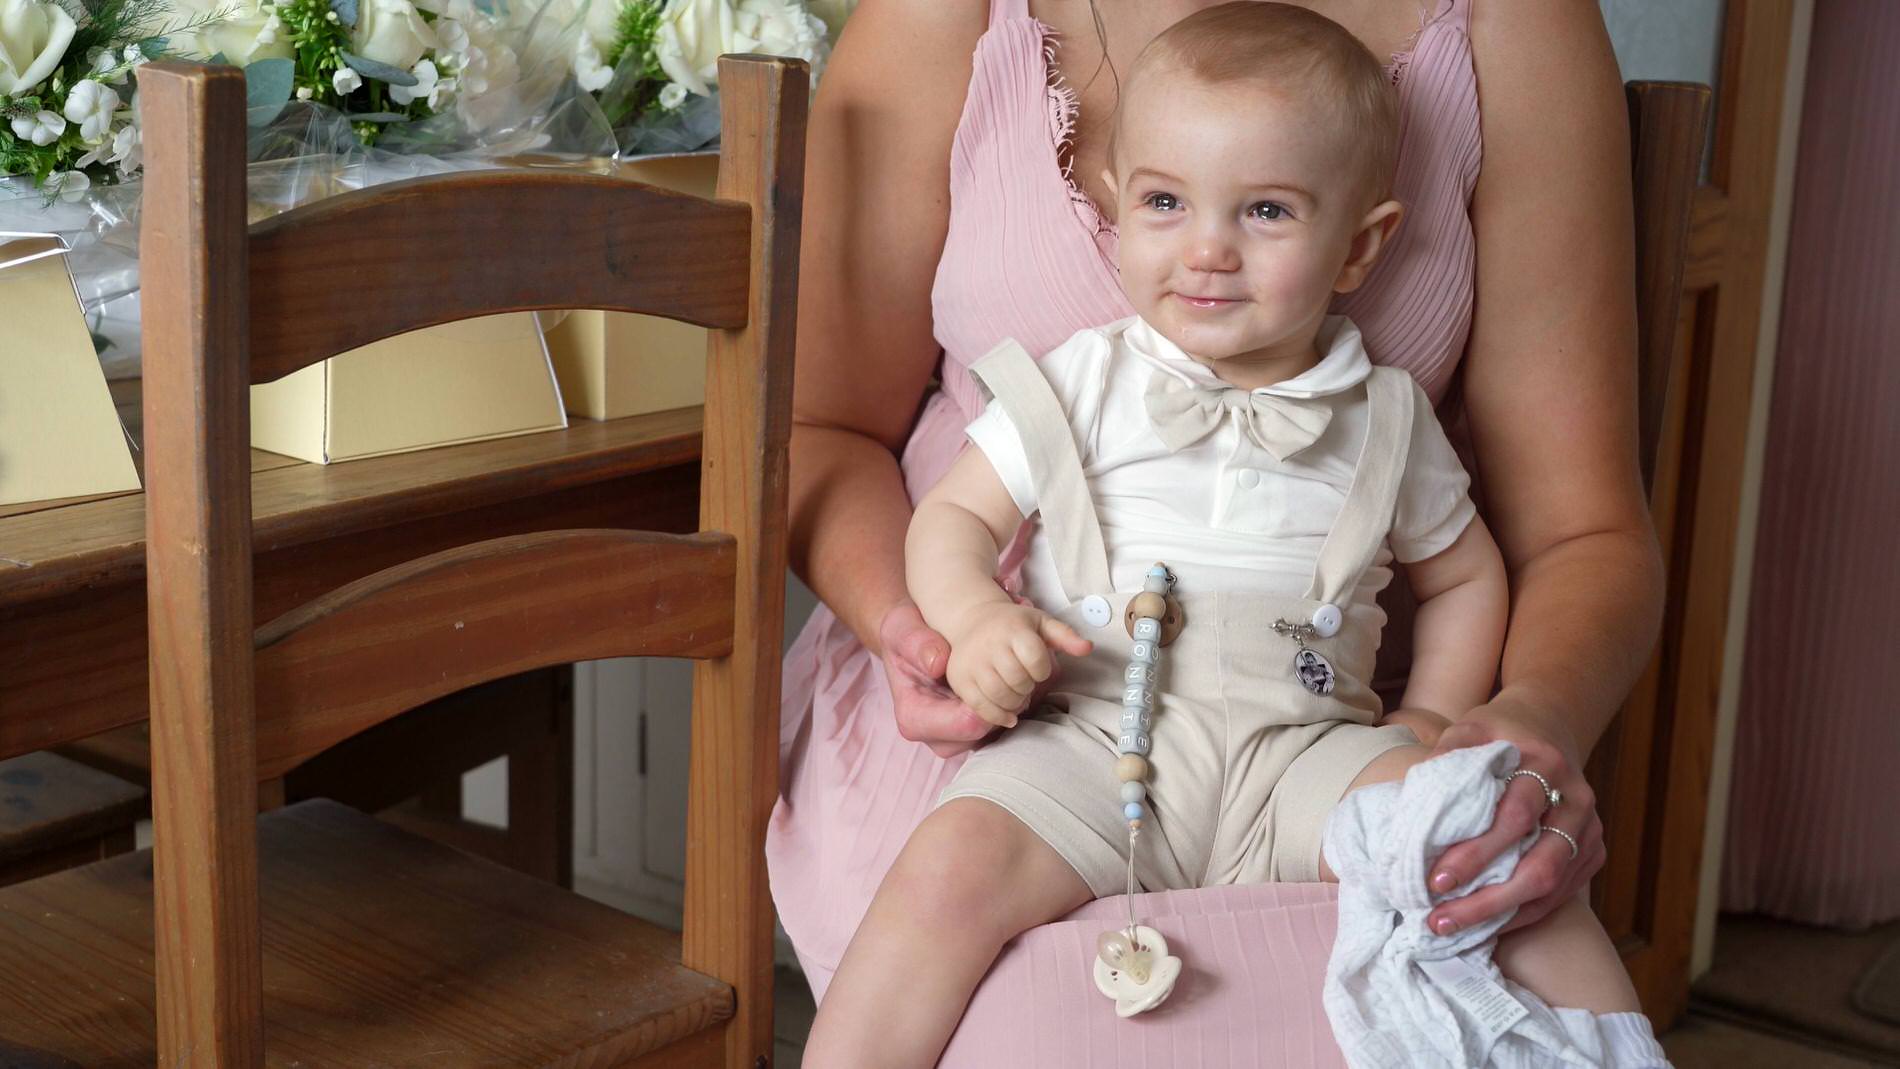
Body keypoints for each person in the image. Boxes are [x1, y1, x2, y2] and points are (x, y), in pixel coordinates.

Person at [773, 0, 1660, 1038]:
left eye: (1267, 214)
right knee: (946, 880)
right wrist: (958, 623)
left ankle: (1619, 1052)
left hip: (1312, 736)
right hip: (1071, 725)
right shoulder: (1081, 378)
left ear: (1360, 247)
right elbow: (942, 513)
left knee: (1472, 848)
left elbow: (1480, 571)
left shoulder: (1382, 416)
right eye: (1162, 203)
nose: (1207, 253)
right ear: (1120, 200)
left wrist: (1445, 723)